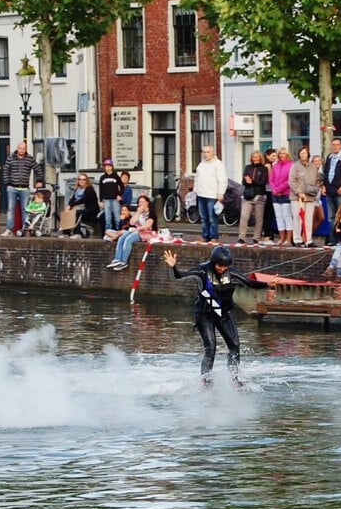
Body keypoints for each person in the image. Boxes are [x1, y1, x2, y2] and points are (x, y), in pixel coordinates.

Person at [163, 245, 274, 386]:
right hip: (205, 313)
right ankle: (206, 380)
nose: (222, 269)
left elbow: (249, 283)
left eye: (225, 266)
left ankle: (234, 378)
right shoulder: (202, 271)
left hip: (223, 313)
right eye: (219, 266)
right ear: (213, 262)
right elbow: (179, 276)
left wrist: (267, 284)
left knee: (235, 345)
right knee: (211, 347)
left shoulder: (231, 272)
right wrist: (173, 267)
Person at [107, 195, 156, 270]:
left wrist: (136, 229)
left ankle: (124, 261)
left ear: (147, 203)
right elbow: (132, 222)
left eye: (143, 202)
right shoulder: (139, 212)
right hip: (138, 231)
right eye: (139, 202)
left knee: (128, 239)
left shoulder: (151, 213)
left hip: (147, 233)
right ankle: (117, 259)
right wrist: (138, 212)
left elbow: (148, 225)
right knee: (122, 237)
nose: (141, 203)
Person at [1, 140, 39, 235]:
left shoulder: (30, 159)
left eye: (23, 148)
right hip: (12, 187)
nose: (21, 150)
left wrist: (39, 181)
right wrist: (7, 183)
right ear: (17, 149)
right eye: (20, 148)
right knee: (10, 209)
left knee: (25, 209)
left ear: (25, 149)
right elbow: (5, 170)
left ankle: (25, 229)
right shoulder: (10, 159)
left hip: (25, 188)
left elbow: (38, 169)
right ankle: (9, 229)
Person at [194, 145, 228, 242]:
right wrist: (195, 191)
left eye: (208, 152)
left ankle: (214, 237)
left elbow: (222, 180)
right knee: (203, 217)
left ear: (213, 153)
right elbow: (197, 178)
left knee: (212, 217)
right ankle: (205, 236)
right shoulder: (201, 165)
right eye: (204, 152)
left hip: (212, 195)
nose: (205, 154)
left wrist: (221, 193)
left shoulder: (218, 164)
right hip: (201, 194)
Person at [289, 145, 318, 246]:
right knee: (298, 218)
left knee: (308, 219)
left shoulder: (314, 167)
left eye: (304, 153)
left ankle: (308, 239)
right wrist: (298, 192)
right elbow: (291, 181)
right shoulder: (295, 166)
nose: (303, 155)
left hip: (310, 197)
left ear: (308, 154)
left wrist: (315, 189)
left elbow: (317, 180)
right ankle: (297, 239)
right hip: (297, 198)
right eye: (301, 153)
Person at [238, 150, 268, 245]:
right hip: (248, 195)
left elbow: (263, 182)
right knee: (244, 216)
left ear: (260, 158)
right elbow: (243, 181)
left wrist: (253, 180)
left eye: (257, 157)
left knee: (259, 218)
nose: (255, 158)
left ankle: (256, 237)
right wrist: (247, 181)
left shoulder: (264, 169)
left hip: (260, 195)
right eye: (253, 157)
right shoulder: (247, 167)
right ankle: (242, 237)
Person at [268, 148, 294, 246]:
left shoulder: (291, 165)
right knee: (279, 217)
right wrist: (274, 190)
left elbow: (289, 180)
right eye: (280, 154)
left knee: (287, 217)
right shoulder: (275, 166)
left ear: (287, 155)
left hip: (286, 194)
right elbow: (271, 179)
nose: (282, 155)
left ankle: (288, 239)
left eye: (284, 154)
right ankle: (281, 238)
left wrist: (279, 189)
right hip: (275, 195)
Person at [98, 158, 123, 232]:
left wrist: (119, 195)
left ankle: (119, 232)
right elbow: (100, 189)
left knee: (117, 218)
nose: (108, 168)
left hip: (115, 199)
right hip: (106, 200)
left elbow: (122, 186)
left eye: (109, 166)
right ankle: (108, 233)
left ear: (112, 167)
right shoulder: (102, 177)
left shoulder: (116, 176)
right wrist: (101, 200)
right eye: (106, 166)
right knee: (107, 218)